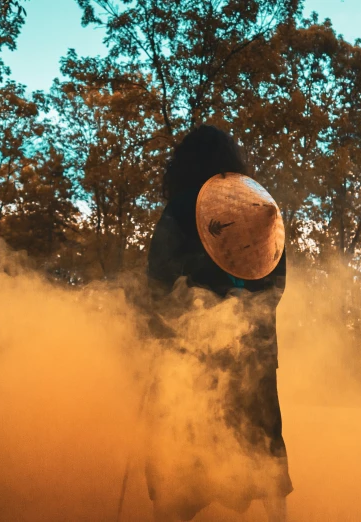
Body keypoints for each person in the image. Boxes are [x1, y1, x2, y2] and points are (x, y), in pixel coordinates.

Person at [144, 124, 292, 522]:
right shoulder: (260, 208)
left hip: (186, 359)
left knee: (179, 464)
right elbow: (275, 285)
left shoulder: (179, 209)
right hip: (254, 359)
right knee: (263, 460)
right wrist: (244, 309)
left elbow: (156, 281)